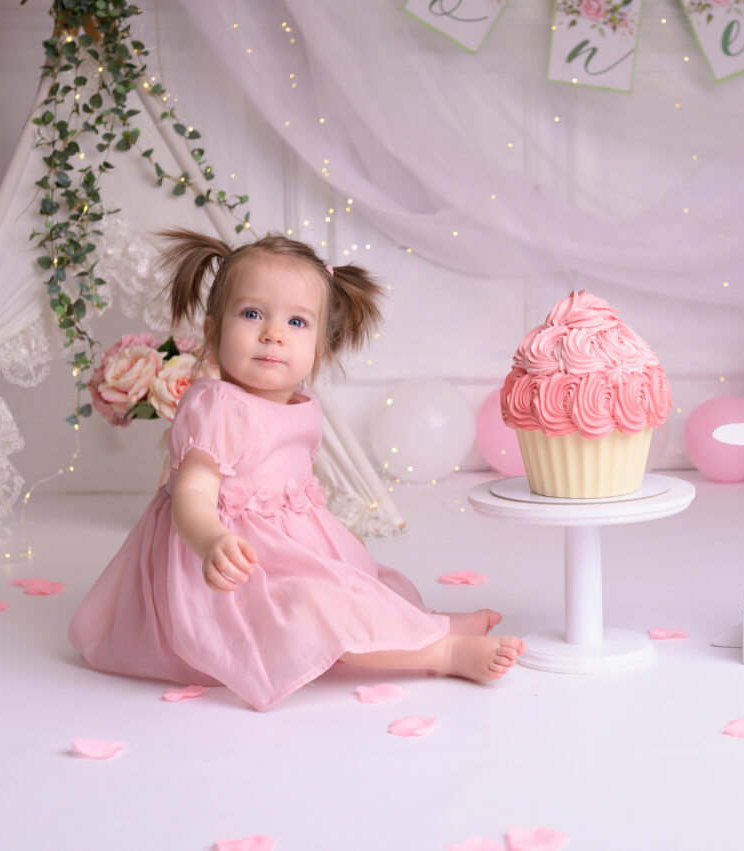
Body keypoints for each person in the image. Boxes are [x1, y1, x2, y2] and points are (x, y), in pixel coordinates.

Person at [68, 229, 524, 710]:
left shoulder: (303, 406)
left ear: (320, 347)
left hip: (285, 548)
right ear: (212, 332)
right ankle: (442, 652)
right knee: (313, 607)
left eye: (297, 321)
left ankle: (428, 625)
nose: (273, 333)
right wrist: (211, 541)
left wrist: (325, 537)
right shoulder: (218, 406)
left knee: (356, 583)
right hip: (235, 569)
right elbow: (191, 496)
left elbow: (288, 488)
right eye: (251, 314)